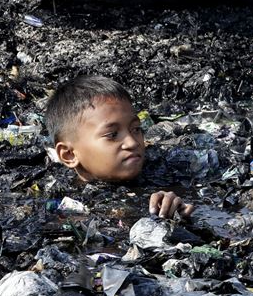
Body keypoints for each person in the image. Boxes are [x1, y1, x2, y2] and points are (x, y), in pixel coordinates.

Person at [45, 75, 194, 219]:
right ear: (69, 154)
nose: (133, 143)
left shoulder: (165, 173)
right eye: (112, 135)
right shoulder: (65, 207)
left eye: (135, 129)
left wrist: (173, 206)